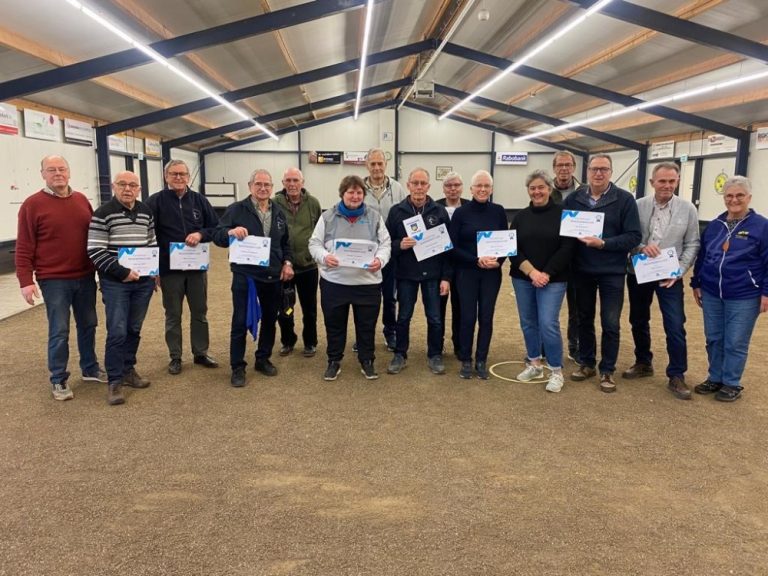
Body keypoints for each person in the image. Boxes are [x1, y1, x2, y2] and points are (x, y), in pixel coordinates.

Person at [15, 155, 106, 401]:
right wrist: (25, 280)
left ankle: (90, 368)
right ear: (42, 174)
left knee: (88, 324)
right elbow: (24, 246)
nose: (58, 173)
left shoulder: (81, 201)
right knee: (59, 330)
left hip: (85, 276)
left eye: (62, 169)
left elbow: (95, 237)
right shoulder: (32, 205)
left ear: (69, 172)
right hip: (53, 279)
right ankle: (58, 378)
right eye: (51, 169)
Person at [562, 154, 641, 393]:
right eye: (595, 169)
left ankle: (607, 369)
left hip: (612, 272)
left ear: (611, 172)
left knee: (610, 322)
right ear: (587, 172)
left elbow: (634, 236)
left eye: (604, 169)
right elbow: (564, 234)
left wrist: (604, 243)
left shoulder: (625, 200)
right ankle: (587, 363)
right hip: (581, 270)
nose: (599, 174)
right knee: (584, 318)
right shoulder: (574, 199)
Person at [622, 162, 700, 400]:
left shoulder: (687, 209)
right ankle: (643, 361)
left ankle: (677, 374)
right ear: (652, 182)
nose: (667, 185)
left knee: (675, 324)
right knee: (638, 319)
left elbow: (692, 244)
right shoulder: (638, 206)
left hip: (670, 276)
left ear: (677, 182)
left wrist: (679, 270)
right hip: (640, 272)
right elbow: (631, 237)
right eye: (662, 181)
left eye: (672, 181)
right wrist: (641, 247)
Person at [213, 169, 294, 388]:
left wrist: (287, 262)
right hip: (245, 276)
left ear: (272, 188)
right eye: (258, 184)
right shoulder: (236, 210)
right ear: (250, 186)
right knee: (240, 320)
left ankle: (262, 358)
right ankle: (237, 366)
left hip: (272, 275)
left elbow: (285, 242)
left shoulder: (278, 211)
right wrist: (230, 233)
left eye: (267, 185)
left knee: (270, 317)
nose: (263, 188)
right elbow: (217, 236)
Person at [690, 176, 768, 402]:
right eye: (730, 196)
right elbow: (703, 256)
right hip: (712, 292)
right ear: (724, 198)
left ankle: (731, 382)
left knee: (735, 341)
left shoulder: (762, 227)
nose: (734, 200)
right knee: (714, 337)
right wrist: (696, 283)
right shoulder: (714, 226)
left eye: (739, 195)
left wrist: (765, 292)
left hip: (744, 295)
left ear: (749, 198)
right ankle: (714, 377)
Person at [309, 175, 391, 381]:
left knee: (366, 326)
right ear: (342, 194)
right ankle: (334, 360)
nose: (355, 196)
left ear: (364, 195)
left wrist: (380, 260)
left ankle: (367, 360)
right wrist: (325, 256)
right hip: (335, 283)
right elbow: (314, 243)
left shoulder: (374, 216)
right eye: (350, 192)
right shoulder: (327, 216)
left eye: (359, 192)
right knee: (334, 325)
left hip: (367, 284)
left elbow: (386, 244)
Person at [87, 171, 156, 406]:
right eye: (123, 184)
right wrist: (122, 272)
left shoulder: (146, 211)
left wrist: (153, 271)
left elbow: (151, 243)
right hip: (115, 283)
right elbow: (95, 251)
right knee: (117, 331)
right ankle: (114, 380)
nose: (128, 189)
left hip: (143, 282)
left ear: (139, 189)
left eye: (133, 185)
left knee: (134, 328)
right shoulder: (102, 213)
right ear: (113, 186)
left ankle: (128, 370)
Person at [146, 159, 219, 376]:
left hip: (197, 269)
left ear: (188, 177)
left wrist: (200, 234)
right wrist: (154, 269)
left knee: (200, 312)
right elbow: (149, 236)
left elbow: (215, 227)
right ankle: (175, 357)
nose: (179, 178)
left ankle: (200, 353)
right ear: (165, 176)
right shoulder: (154, 202)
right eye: (174, 174)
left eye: (182, 174)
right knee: (173, 314)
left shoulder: (199, 200)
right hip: (170, 271)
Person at [509, 170, 576, 393]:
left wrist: (546, 273)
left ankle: (556, 370)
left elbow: (568, 247)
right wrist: (532, 273)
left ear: (549, 189)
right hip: (523, 279)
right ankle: (535, 363)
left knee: (548, 323)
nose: (537, 191)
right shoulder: (520, 217)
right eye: (532, 188)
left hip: (554, 280)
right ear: (528, 191)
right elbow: (513, 250)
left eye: (541, 187)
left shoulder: (563, 214)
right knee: (528, 322)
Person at [385, 168, 452, 375]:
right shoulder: (396, 211)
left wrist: (446, 278)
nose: (419, 187)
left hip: (432, 275)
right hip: (406, 275)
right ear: (408, 185)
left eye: (423, 183)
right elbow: (386, 244)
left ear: (429, 187)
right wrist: (399, 245)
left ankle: (434, 355)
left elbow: (449, 248)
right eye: (415, 183)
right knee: (404, 316)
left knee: (434, 317)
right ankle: (400, 354)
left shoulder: (439, 211)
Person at [449, 170, 508, 380]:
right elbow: (452, 247)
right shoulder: (461, 213)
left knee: (486, 316)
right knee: (467, 316)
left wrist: (497, 261)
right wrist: (475, 260)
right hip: (467, 272)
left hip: (491, 274)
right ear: (471, 189)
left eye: (487, 186)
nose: (483, 190)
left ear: (491, 189)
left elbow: (506, 243)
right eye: (479, 186)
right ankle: (466, 358)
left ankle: (481, 359)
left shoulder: (499, 211)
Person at [272, 167, 322, 358]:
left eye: (295, 180)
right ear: (283, 183)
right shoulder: (274, 203)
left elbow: (320, 232)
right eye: (288, 180)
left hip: (308, 266)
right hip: (284, 267)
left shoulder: (314, 203)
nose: (292, 184)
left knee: (309, 308)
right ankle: (287, 341)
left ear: (302, 182)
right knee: (285, 307)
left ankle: (310, 342)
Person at [363, 148, 407, 351]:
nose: (377, 167)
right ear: (367, 166)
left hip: (391, 253)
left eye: (380, 163)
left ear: (385, 165)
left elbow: (405, 217)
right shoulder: (359, 188)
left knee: (390, 297)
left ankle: (390, 332)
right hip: (365, 253)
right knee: (366, 298)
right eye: (373, 164)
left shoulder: (398, 189)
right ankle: (364, 335)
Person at [551, 150, 581, 362]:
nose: (564, 169)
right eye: (560, 165)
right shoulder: (544, 189)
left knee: (577, 306)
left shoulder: (584, 192)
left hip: (578, 258)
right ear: (554, 167)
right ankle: (545, 345)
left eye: (567, 165)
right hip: (550, 257)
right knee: (548, 307)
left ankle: (575, 345)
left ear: (574, 168)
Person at [436, 171, 468, 357]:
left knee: (461, 307)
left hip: (463, 266)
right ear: (443, 188)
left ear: (462, 187)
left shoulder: (469, 207)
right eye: (449, 185)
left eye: (456, 185)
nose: (453, 189)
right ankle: (437, 344)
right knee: (438, 308)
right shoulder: (435, 207)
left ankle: (459, 343)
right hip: (440, 266)